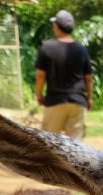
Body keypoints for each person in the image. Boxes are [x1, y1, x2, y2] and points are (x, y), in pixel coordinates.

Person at [35, 10, 93, 139]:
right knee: (76, 146)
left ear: (56, 26)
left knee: (49, 144)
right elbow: (88, 78)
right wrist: (89, 98)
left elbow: (40, 76)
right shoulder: (81, 49)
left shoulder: (46, 47)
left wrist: (39, 95)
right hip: (78, 102)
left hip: (55, 101)